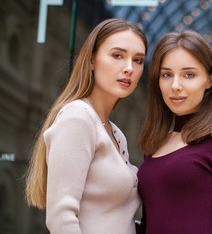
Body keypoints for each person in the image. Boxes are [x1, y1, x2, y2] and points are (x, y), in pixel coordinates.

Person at [25, 18, 147, 234]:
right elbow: (61, 219)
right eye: (117, 55)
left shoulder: (116, 134)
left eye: (138, 60)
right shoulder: (78, 119)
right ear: (92, 60)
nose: (129, 68)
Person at [137, 30, 212, 234]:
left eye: (189, 74)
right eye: (166, 75)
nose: (175, 85)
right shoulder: (155, 142)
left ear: (209, 80)